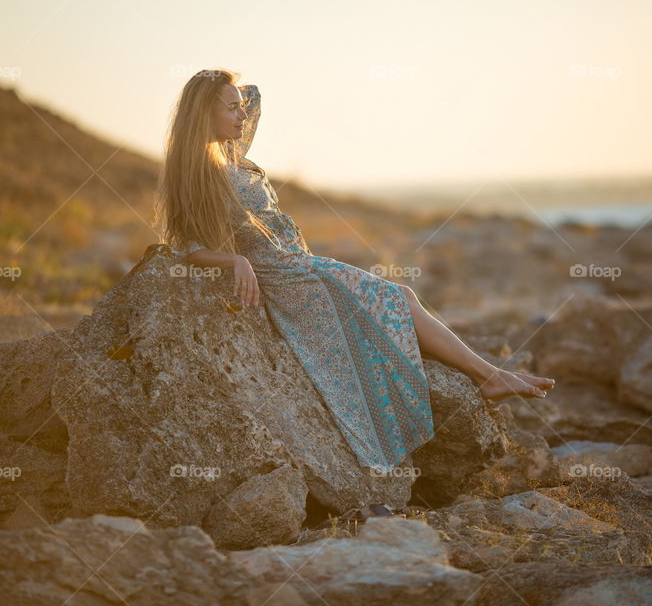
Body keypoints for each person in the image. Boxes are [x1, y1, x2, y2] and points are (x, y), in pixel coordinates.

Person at [154, 69, 555, 473]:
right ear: (205, 114)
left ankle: (490, 375)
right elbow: (188, 247)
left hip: (302, 263)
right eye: (231, 108)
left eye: (242, 107)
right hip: (287, 277)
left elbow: (252, 97)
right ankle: (490, 376)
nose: (243, 115)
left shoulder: (232, 154)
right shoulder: (201, 171)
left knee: (401, 297)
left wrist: (224, 88)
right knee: (399, 299)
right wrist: (235, 260)